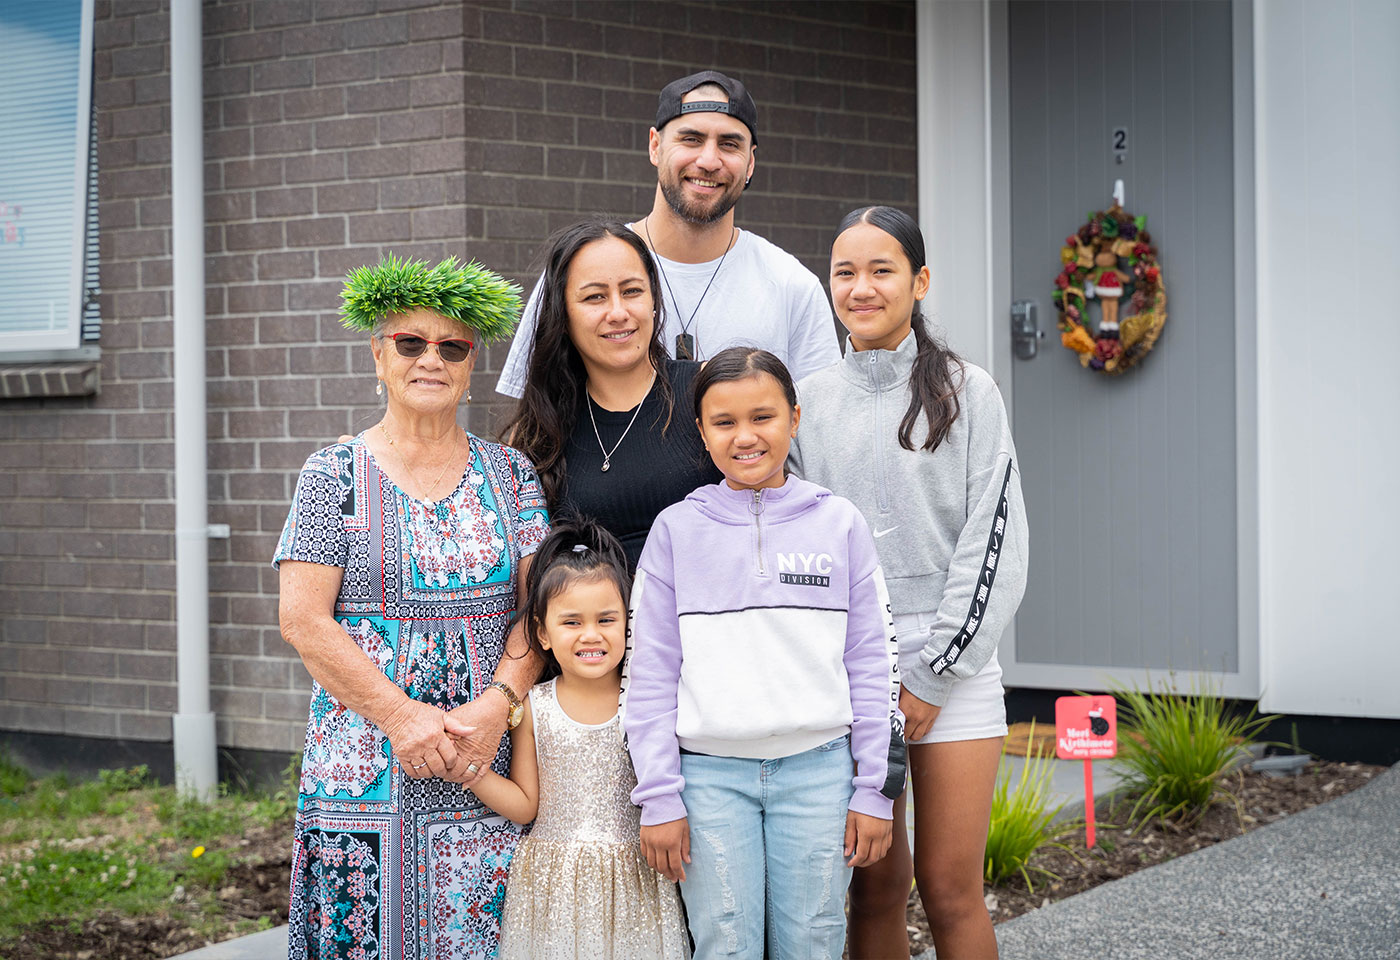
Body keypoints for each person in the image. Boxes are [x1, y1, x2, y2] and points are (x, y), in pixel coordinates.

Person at [274, 255, 550, 960]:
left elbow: (538, 609)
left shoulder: (512, 473)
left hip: (480, 763)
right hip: (366, 770)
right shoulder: (331, 473)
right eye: (410, 343)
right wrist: (401, 718)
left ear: (470, 363)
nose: (431, 359)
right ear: (378, 355)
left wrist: (498, 704)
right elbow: (303, 619)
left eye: (451, 347)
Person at [788, 206, 1029, 960]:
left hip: (952, 676)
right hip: (852, 680)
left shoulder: (969, 392)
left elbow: (994, 544)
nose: (862, 288)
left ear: (919, 281)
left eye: (882, 269)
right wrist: (857, 678)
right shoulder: (807, 401)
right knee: (873, 890)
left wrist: (933, 674)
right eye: (845, 273)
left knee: (951, 888)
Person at [623, 347, 906, 959]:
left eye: (763, 417)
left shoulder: (840, 523)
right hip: (708, 780)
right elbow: (647, 676)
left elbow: (874, 665)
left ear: (795, 418)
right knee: (725, 944)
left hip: (821, 774)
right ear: (701, 432)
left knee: (814, 942)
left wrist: (873, 789)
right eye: (724, 422)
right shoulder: (676, 531)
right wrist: (660, 795)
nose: (745, 436)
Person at [496, 70, 839, 398]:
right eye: (691, 139)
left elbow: (817, 434)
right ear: (655, 146)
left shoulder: (793, 286)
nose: (708, 160)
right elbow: (532, 422)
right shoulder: (583, 269)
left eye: (729, 144)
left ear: (750, 163)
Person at [465, 518, 690, 960]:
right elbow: (527, 805)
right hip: (555, 887)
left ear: (629, 623)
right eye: (572, 622)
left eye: (607, 619)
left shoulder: (649, 702)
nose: (591, 634)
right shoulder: (533, 707)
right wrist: (471, 771)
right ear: (543, 633)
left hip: (636, 881)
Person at [502, 219, 721, 571]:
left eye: (632, 291)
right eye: (594, 297)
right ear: (564, 314)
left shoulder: (709, 392)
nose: (618, 313)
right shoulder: (540, 432)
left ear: (653, 300)